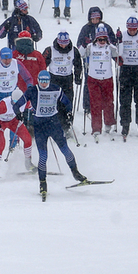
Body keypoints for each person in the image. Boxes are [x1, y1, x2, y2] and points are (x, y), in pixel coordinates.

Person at [22, 71, 88, 200]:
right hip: (40, 127)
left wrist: (69, 112)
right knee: (43, 156)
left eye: (46, 81)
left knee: (65, 150)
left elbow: (67, 102)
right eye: (41, 81)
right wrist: (19, 114)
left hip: (54, 125)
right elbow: (19, 103)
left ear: (49, 80)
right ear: (38, 80)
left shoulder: (56, 89)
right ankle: (42, 183)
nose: (44, 83)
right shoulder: (32, 91)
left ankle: (76, 173)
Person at [0, 96, 33, 183]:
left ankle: (28, 163)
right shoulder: (4, 106)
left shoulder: (25, 103)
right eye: (13, 102)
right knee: (1, 145)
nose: (15, 105)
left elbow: (34, 108)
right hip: (0, 122)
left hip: (13, 121)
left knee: (28, 139)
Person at [81, 25, 119, 139]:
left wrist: (119, 41)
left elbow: (118, 55)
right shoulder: (90, 47)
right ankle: (96, 128)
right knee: (95, 103)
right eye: (99, 39)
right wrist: (83, 45)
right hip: (93, 79)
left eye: (104, 39)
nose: (102, 41)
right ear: (96, 39)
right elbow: (81, 54)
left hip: (107, 78)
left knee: (108, 102)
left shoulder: (110, 47)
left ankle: (108, 123)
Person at [115, 17, 138, 142]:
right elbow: (115, 51)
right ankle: (125, 125)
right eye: (130, 29)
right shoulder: (122, 36)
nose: (132, 31)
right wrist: (117, 40)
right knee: (125, 100)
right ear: (127, 27)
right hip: (126, 70)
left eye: (134, 29)